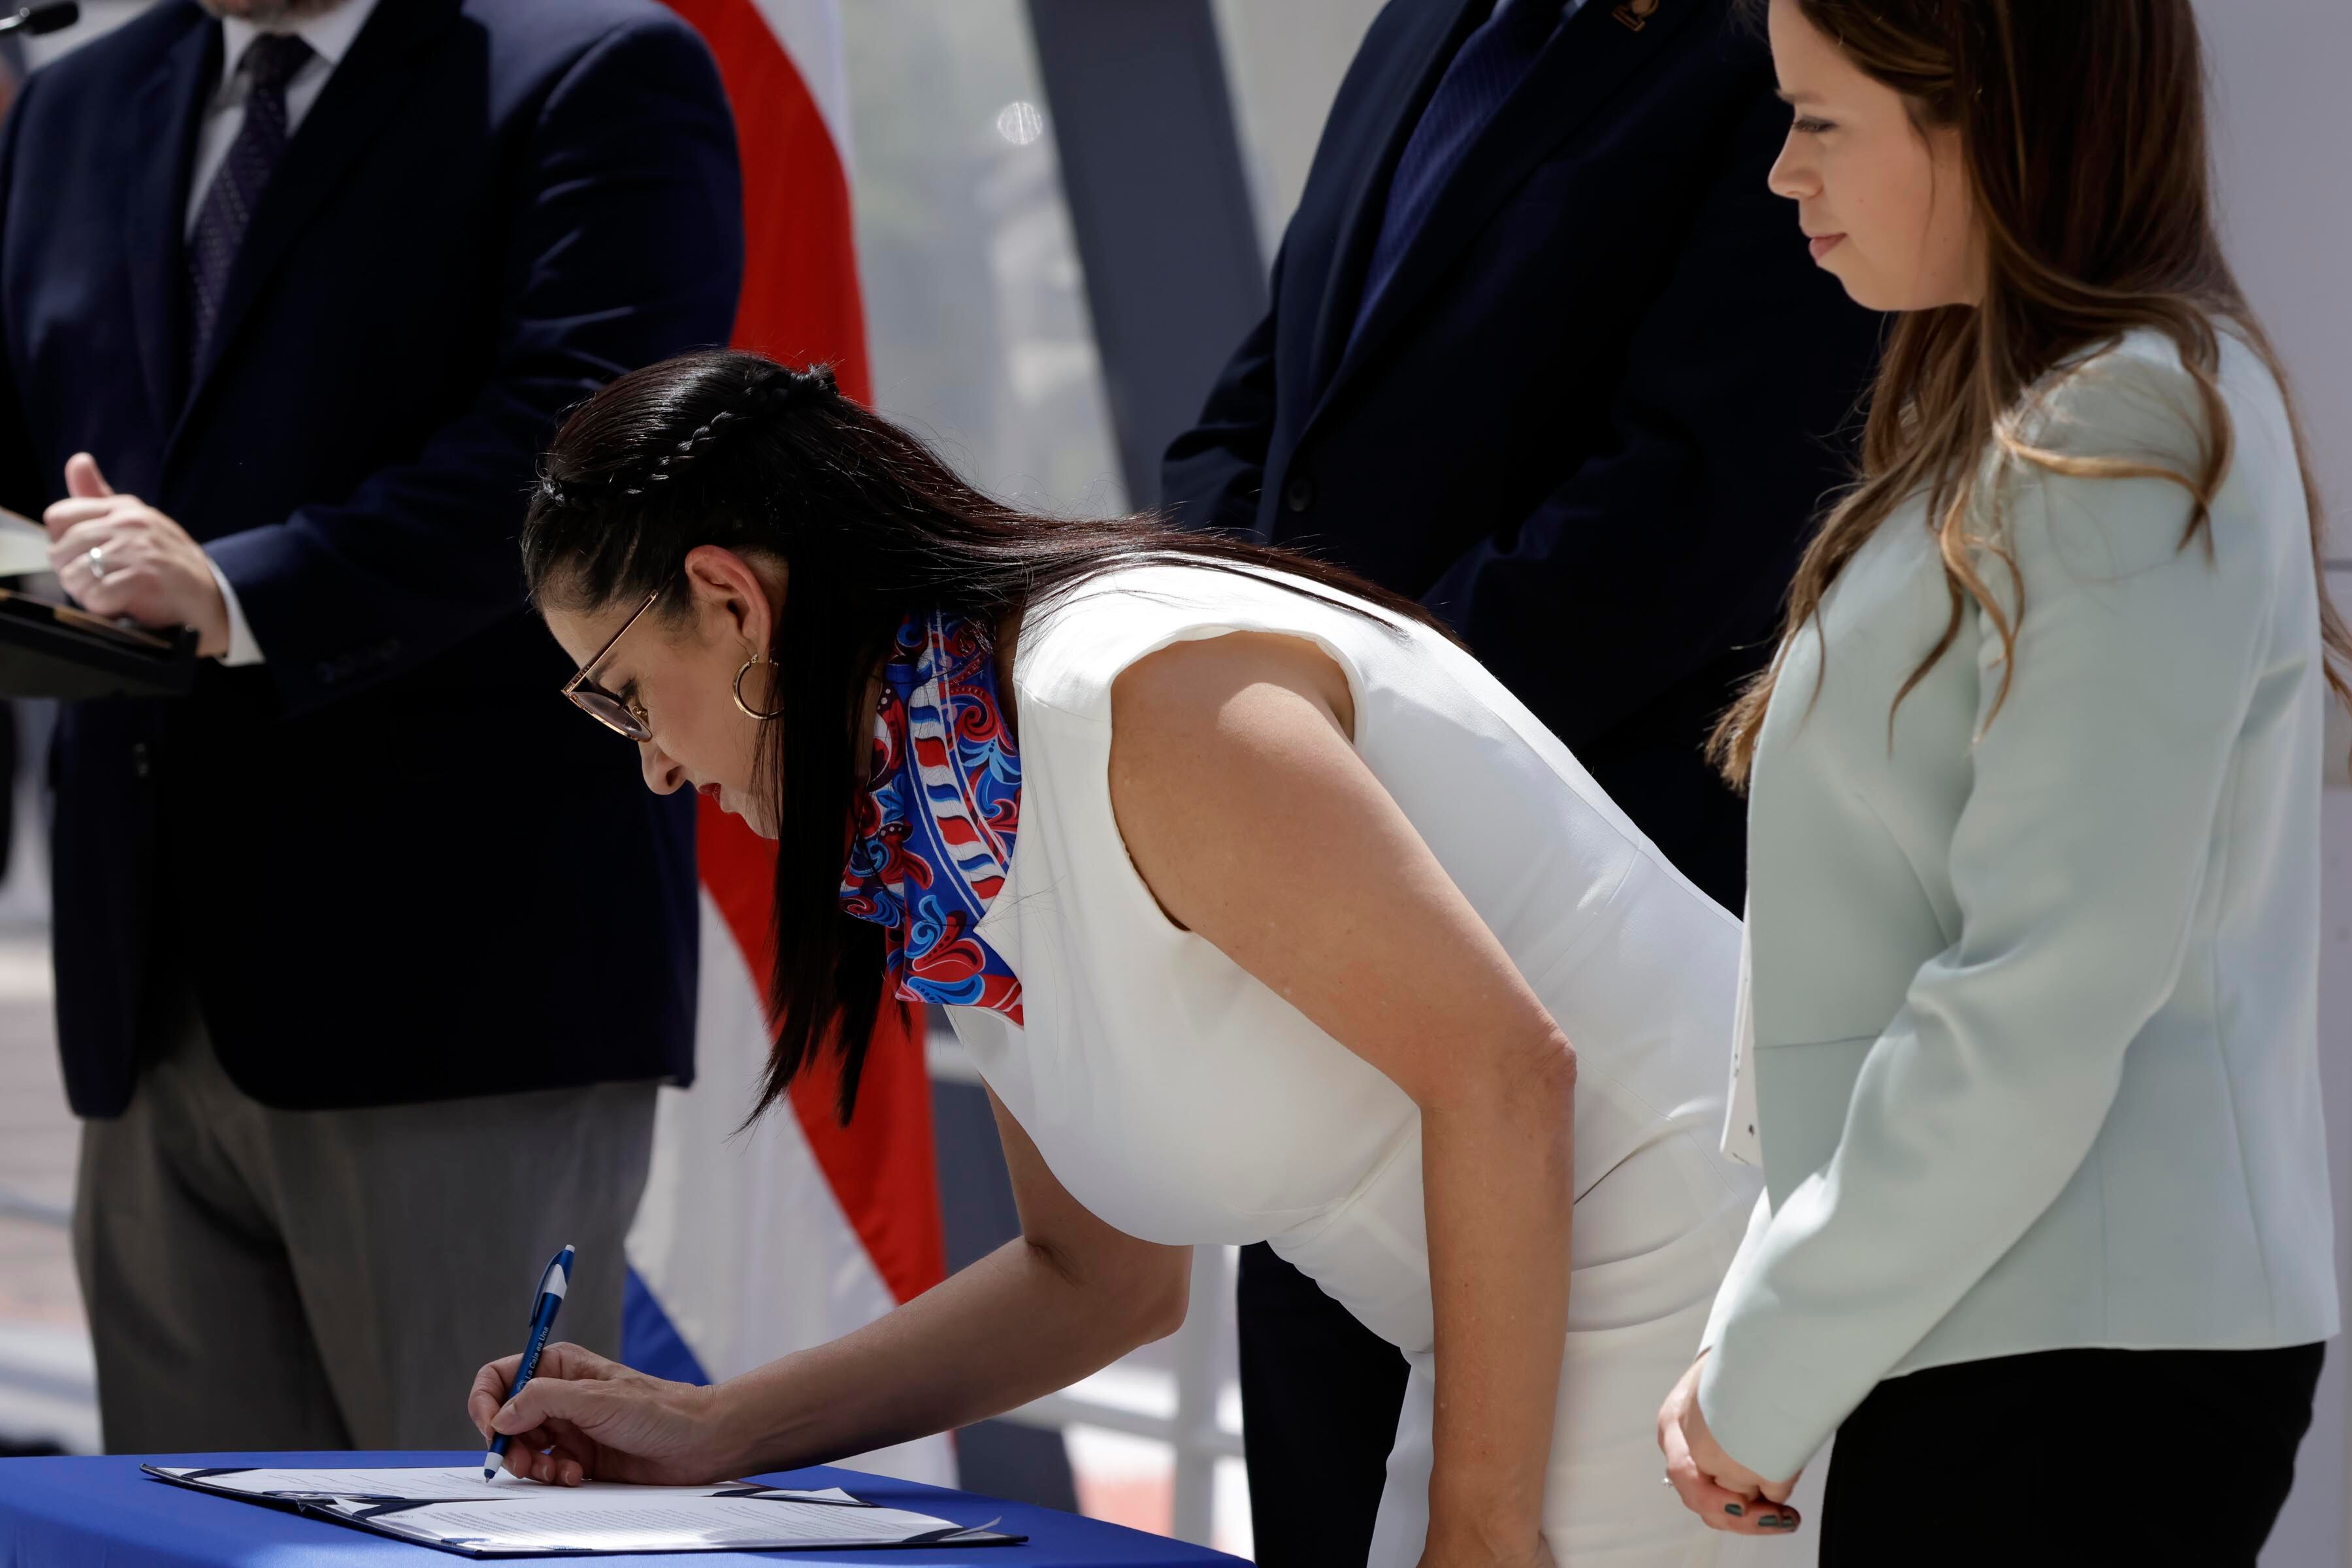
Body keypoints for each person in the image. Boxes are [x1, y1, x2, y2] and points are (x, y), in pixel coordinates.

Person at [465, 351, 1772, 1564]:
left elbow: (1502, 1072)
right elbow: (1097, 1281)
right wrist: (719, 1427)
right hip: (1540, 1341)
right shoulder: (932, 816)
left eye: (624, 695)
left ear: (730, 596)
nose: (650, 765)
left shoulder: (1132, 691)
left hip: (1705, 1314)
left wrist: (1480, 1537)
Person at [1159, 1, 1880, 1548]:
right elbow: (1273, 396)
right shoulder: (1431, 23)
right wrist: (1210, 646)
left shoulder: (1762, 53)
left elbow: (1695, 504)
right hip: (1329, 910)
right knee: (1320, 1462)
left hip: (1587, 906)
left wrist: (1349, 715)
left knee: (1540, 1497)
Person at [1656, 1, 2349, 1561]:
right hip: (2022, 1341)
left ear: (1988, 111)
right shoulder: (2049, 414)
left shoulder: (2126, 426)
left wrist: (1766, 1359)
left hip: (2077, 1367)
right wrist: (1776, 1333)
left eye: (1821, 120)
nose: (1782, 172)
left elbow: (2035, 994)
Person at [10, 0, 742, 1448]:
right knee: (183, 1546)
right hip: (145, 986)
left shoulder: (598, 69)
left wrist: (235, 589)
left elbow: (586, 452)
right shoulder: (76, 96)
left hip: (458, 990)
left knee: (472, 1521)